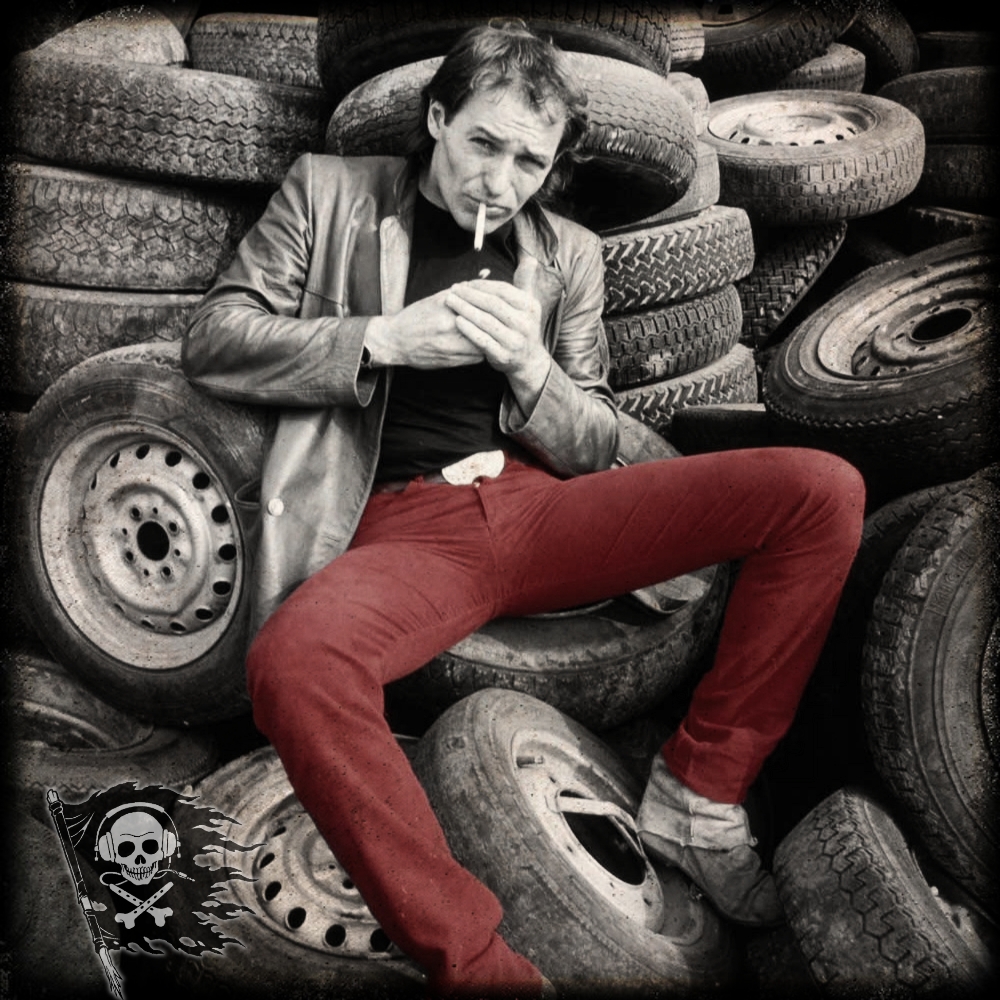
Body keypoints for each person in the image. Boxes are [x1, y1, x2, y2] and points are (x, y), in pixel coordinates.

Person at [182, 22, 864, 998]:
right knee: (294, 664)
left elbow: (594, 440)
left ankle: (698, 794)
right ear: (437, 120)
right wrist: (382, 338)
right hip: (406, 525)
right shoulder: (330, 194)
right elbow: (215, 338)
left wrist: (534, 372)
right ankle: (476, 966)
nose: (500, 181)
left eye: (528, 162)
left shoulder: (565, 253)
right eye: (483, 145)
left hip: (538, 507)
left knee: (820, 492)